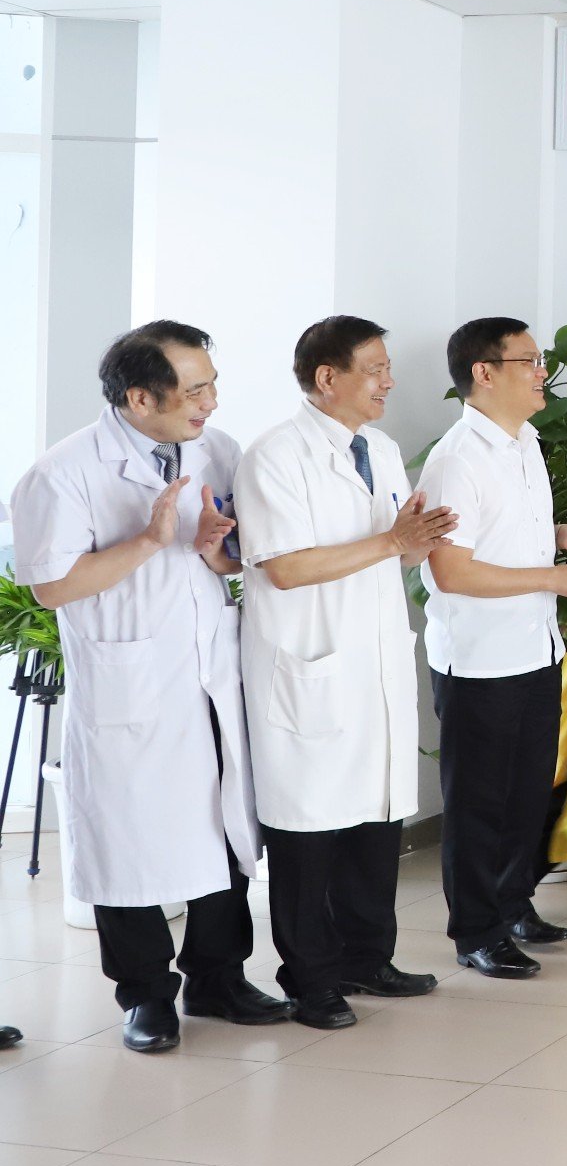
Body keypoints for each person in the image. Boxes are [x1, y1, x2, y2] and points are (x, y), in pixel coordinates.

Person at [8, 322, 286, 1052]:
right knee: (128, 839)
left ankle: (219, 978)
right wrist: (149, 542)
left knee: (222, 826)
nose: (210, 402)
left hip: (208, 672)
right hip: (127, 683)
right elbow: (52, 587)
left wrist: (216, 550)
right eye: (194, 391)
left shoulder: (216, 450)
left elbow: (230, 560)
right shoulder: (62, 472)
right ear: (139, 397)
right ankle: (145, 996)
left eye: (212, 385)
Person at [236, 316, 454, 1029]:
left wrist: (416, 541)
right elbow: (285, 566)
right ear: (328, 378)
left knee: (375, 819)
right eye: (376, 368)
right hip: (311, 662)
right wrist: (392, 540)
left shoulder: (380, 450)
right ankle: (311, 978)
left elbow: (391, 552)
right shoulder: (275, 456)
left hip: (375, 662)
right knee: (308, 831)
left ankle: (367, 957)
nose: (390, 380)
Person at [419, 318, 567, 980]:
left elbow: (499, 530)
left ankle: (512, 905)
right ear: (484, 372)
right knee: (479, 803)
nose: (542, 373)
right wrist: (554, 578)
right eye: (529, 361)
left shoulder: (523, 440)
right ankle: (477, 930)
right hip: (480, 660)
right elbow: (453, 571)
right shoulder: (457, 459)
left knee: (526, 792)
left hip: (535, 649)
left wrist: (562, 536)